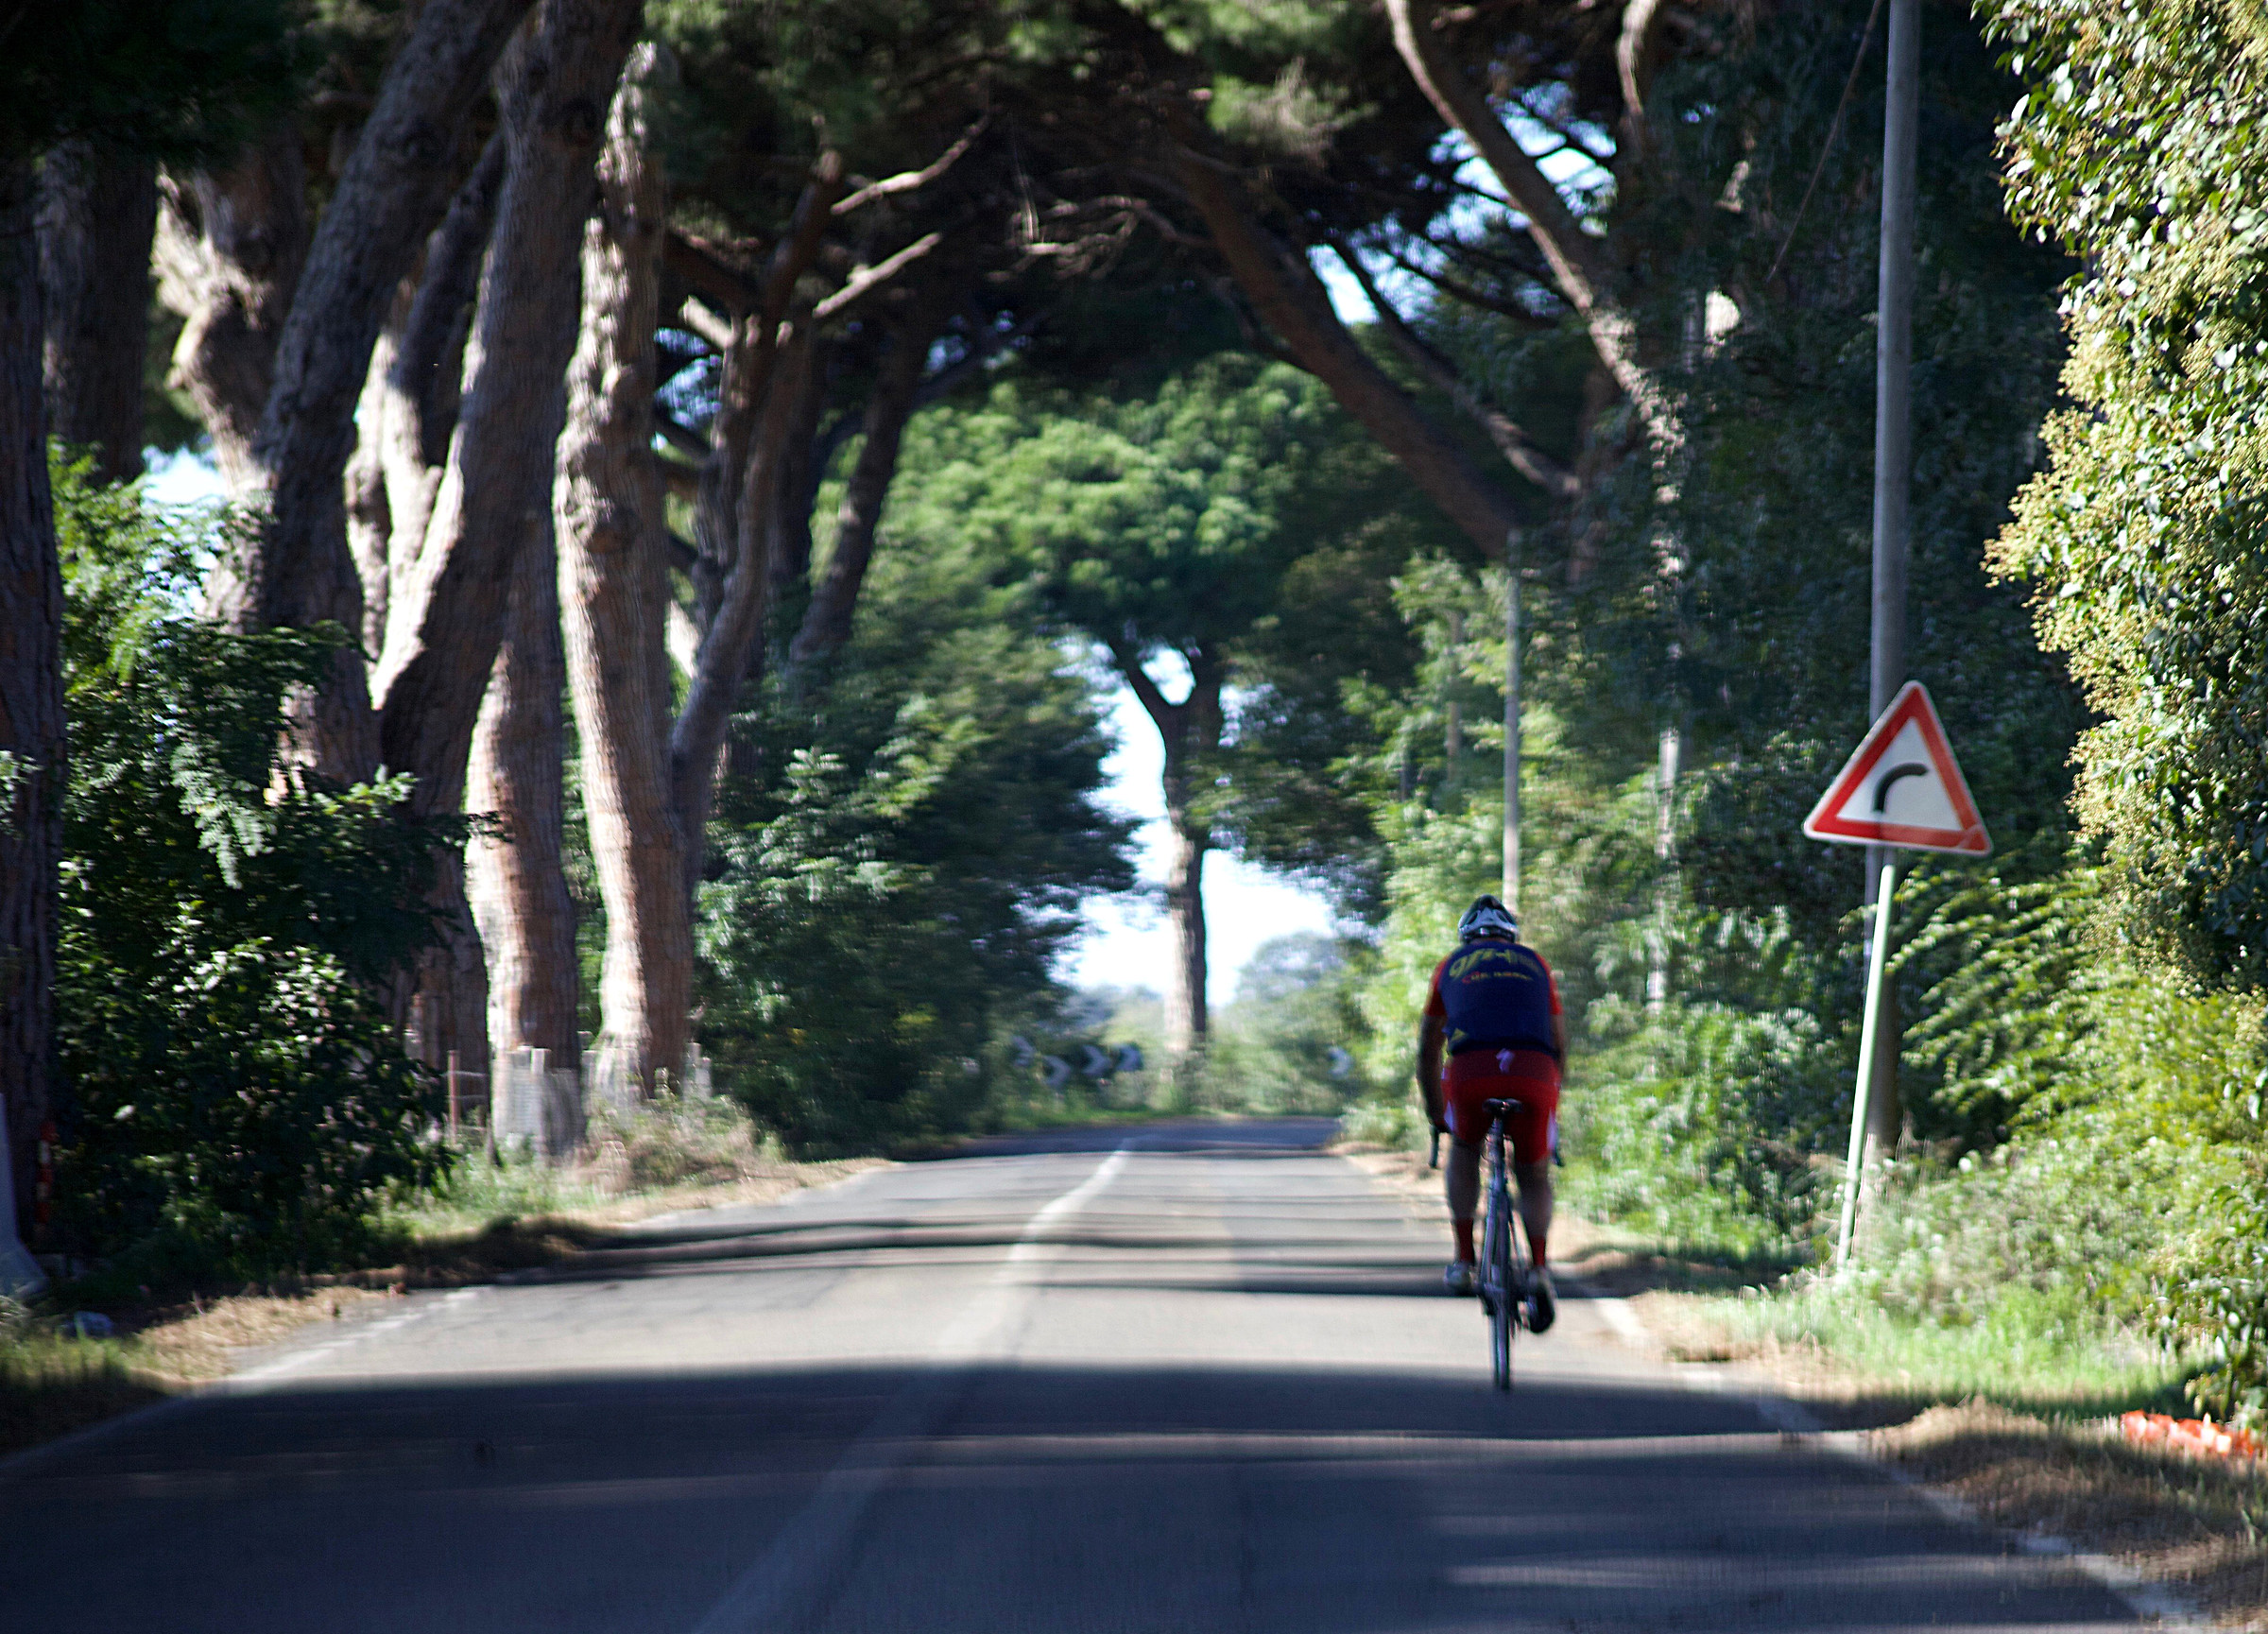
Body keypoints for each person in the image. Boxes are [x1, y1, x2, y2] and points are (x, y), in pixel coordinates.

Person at [1417, 894, 1564, 1331]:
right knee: (1534, 1173)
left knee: (1464, 1149)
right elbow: (1559, 1041)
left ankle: (1464, 1259)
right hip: (1534, 1074)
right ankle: (1538, 1267)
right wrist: (1556, 1094)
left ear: (1466, 938)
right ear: (1511, 936)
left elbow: (1428, 1047)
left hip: (1470, 1073)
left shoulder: (1450, 966)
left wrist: (1435, 1112)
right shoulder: (1537, 964)